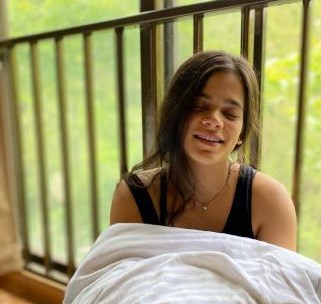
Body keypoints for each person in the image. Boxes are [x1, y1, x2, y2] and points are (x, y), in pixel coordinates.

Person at [110, 50, 297, 251]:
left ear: (242, 133)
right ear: (174, 114)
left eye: (230, 114)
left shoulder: (270, 201)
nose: (214, 121)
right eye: (199, 106)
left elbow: (283, 272)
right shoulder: (134, 197)